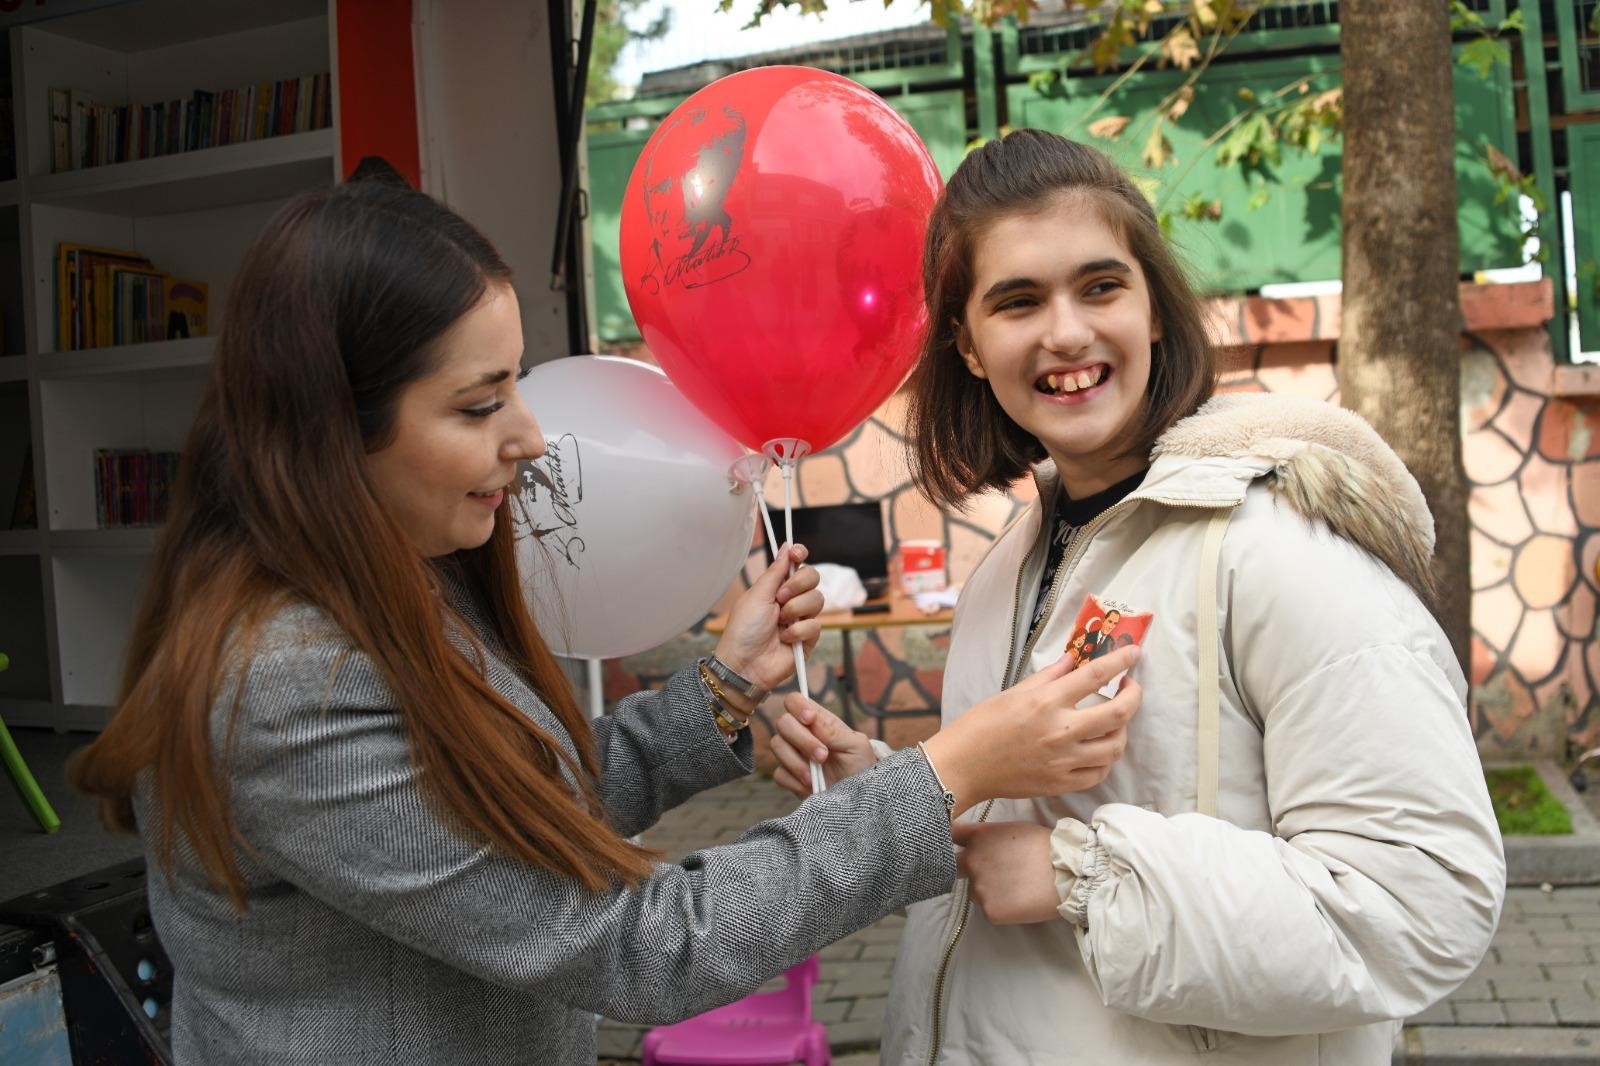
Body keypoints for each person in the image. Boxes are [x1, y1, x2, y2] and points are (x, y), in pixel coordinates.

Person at [67, 174, 1145, 1066]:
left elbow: (513, 812)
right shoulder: (293, 681)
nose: (532, 437)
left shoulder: (402, 580)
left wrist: (719, 697)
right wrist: (945, 770)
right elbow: (639, 945)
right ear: (330, 433)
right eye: (480, 404)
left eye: (517, 386)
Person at [769, 129, 1505, 1064]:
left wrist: (1086, 879)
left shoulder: (1281, 549)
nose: (1067, 332)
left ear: (1154, 308)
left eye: (1101, 286)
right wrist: (893, 783)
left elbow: (1423, 901)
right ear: (969, 343)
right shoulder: (1016, 556)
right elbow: (1009, 840)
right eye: (1018, 301)